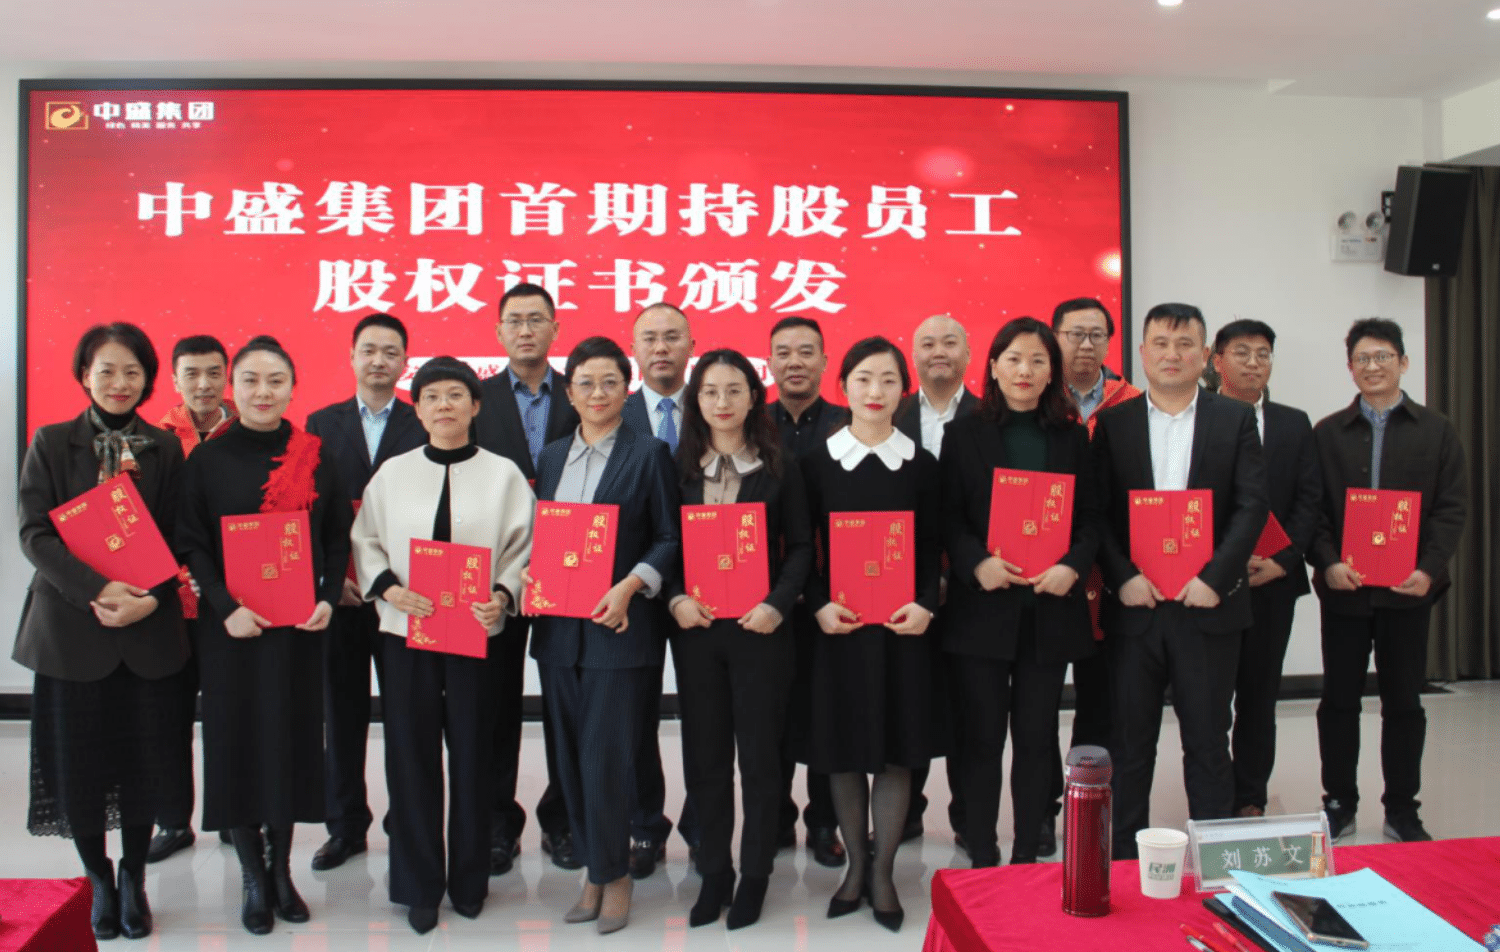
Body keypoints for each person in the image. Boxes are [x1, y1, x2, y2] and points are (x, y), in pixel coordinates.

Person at [15, 322, 191, 940]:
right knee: (80, 765)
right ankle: (97, 878)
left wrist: (151, 598)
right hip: (71, 632)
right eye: (107, 370)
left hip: (147, 630)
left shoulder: (165, 447)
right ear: (84, 375)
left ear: (148, 378)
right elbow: (34, 532)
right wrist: (96, 589)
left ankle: (133, 878)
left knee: (144, 762)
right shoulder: (51, 442)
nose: (120, 382)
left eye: (132, 371)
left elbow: (179, 535)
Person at [351, 356, 535, 934]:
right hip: (407, 634)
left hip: (477, 633)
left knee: (476, 755)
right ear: (419, 409)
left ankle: (470, 880)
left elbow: (525, 549)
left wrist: (502, 594)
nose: (444, 406)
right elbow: (366, 539)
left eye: (456, 395)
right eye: (431, 397)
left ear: (476, 406)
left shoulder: (503, 475)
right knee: (411, 757)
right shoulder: (393, 474)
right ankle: (418, 884)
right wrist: (389, 588)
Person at [177, 335, 351, 935]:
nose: (262, 392)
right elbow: (192, 542)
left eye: (275, 380)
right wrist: (225, 607)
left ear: (293, 388)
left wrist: (328, 597)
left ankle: (282, 872)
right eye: (250, 380)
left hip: (297, 629)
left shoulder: (315, 455)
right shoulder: (208, 459)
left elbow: (335, 537)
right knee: (238, 745)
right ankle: (253, 876)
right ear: (234, 387)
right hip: (232, 630)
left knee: (290, 744)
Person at [1092, 303, 1267, 858]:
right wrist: (1122, 577)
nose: (1172, 355)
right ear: (1143, 353)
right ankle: (1123, 861)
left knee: (1209, 741)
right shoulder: (1114, 423)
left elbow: (1252, 505)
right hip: (1136, 606)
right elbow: (1097, 511)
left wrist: (1215, 578)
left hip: (1207, 606)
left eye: (1185, 344)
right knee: (1129, 743)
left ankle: (1217, 859)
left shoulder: (1234, 418)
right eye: (1161, 344)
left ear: (1205, 355)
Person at [526, 336, 681, 934]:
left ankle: (616, 878)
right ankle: (593, 869)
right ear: (569, 393)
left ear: (627, 387)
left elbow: (668, 538)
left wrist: (630, 586)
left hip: (620, 628)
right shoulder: (551, 457)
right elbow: (543, 535)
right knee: (568, 757)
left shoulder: (649, 453)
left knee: (607, 757)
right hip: (558, 632)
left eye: (610, 382)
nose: (598, 393)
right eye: (586, 383)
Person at [940, 317, 1099, 867]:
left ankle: (1028, 852)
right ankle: (982, 850)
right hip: (983, 611)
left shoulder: (1072, 437)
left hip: (1047, 613)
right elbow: (948, 516)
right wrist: (976, 562)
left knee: (1035, 738)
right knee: (981, 738)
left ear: (1052, 371)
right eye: (1013, 359)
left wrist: (1072, 567)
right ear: (993, 367)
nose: (1024, 371)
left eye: (1037, 360)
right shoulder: (964, 434)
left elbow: (1091, 519)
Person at [667, 349, 813, 929]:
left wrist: (777, 604)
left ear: (754, 397)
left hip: (761, 632)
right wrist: (675, 598)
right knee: (705, 759)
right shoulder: (677, 467)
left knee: (759, 758)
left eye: (734, 390)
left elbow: (800, 546)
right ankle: (714, 872)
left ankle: (754, 875)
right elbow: (664, 542)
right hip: (698, 632)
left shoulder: (779, 466)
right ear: (696, 401)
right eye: (710, 392)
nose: (722, 402)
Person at [801, 336, 941, 932]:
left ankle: (883, 873)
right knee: (843, 752)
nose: (875, 391)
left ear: (903, 390)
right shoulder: (816, 464)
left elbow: (933, 551)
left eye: (888, 380)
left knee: (895, 752)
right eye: (863, 379)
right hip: (840, 630)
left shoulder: (922, 465)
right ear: (844, 387)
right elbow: (802, 549)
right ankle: (854, 867)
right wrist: (817, 606)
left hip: (902, 632)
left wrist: (926, 604)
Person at [1308, 318, 1466, 843]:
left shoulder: (1437, 430)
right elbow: (1313, 509)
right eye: (1362, 358)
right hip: (1345, 590)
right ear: (1350, 367)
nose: (1372, 366)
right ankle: (1339, 803)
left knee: (1403, 703)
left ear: (1403, 362)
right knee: (1339, 701)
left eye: (1383, 357)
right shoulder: (1328, 433)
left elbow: (1451, 509)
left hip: (1407, 592)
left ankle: (1402, 809)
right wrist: (1327, 561)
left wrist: (1428, 569)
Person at [304, 314, 426, 872]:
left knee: (408, 716)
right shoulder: (320, 423)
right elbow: (314, 510)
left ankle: (408, 824)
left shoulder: (421, 419)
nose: (379, 360)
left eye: (391, 351)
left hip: (406, 592)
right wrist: (332, 580)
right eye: (369, 350)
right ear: (352, 357)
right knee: (342, 713)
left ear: (405, 362)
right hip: (345, 593)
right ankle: (345, 826)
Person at [474, 282, 579, 873]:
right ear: (498, 332)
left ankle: (563, 820)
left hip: (572, 568)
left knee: (565, 701)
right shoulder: (477, 400)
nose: (525, 330)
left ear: (555, 329)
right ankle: (496, 823)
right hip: (498, 571)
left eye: (536, 319)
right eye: (514, 320)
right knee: (494, 704)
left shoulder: (581, 391)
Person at [1210, 319, 1321, 818]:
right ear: (1217, 361)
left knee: (1259, 695)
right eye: (1241, 352)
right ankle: (1213, 791)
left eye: (1263, 353)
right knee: (1210, 697)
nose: (1253, 362)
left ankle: (1250, 795)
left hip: (1273, 582)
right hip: (1213, 582)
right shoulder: (1199, 416)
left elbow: (1309, 499)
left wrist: (1282, 560)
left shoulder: (1294, 423)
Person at [1043, 296, 1140, 856]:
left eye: (1096, 334)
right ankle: (1042, 809)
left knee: (1102, 704)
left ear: (1109, 341)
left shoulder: (1133, 405)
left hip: (1115, 577)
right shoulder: (1034, 398)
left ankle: (1093, 806)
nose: (1085, 344)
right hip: (1046, 579)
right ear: (1055, 336)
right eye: (1074, 333)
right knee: (1036, 707)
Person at [148, 333, 237, 864]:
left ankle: (229, 813)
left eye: (213, 373)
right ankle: (172, 820)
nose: (203, 384)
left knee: (229, 712)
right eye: (191, 374)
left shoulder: (249, 434)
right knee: (169, 714)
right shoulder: (153, 442)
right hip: (168, 602)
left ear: (227, 376)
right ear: (174, 379)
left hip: (232, 602)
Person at [764, 315, 848, 869]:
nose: (794, 361)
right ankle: (774, 819)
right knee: (770, 714)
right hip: (764, 598)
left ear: (824, 360)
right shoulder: (751, 424)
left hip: (833, 598)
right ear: (769, 361)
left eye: (806, 351)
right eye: (784, 352)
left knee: (825, 712)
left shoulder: (848, 423)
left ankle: (823, 823)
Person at [620, 301, 699, 876]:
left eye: (672, 336)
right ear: (635, 349)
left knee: (705, 717)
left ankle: (703, 827)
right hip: (637, 588)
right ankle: (644, 828)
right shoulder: (612, 412)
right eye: (650, 338)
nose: (661, 347)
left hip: (706, 589)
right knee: (635, 718)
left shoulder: (717, 404)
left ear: (691, 345)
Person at [893, 313, 978, 847]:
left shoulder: (988, 416)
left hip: (975, 587)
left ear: (968, 353)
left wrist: (954, 572)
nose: (938, 351)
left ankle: (969, 818)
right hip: (906, 588)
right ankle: (905, 813)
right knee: (912, 700)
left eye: (950, 341)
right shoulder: (890, 413)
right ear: (914, 355)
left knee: (971, 706)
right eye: (927, 343)